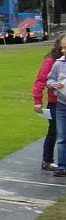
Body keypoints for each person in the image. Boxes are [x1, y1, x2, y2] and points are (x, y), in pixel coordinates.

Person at [32, 36, 64, 173]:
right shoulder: (52, 61)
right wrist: (37, 101)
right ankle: (47, 160)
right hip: (56, 102)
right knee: (55, 131)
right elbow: (40, 81)